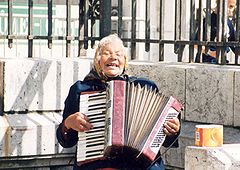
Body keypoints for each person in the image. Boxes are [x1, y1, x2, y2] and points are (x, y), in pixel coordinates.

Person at [56, 34, 181, 170]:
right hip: (98, 164)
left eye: (118, 54)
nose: (113, 57)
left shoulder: (145, 87)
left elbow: (165, 139)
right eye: (107, 53)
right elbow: (66, 141)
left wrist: (173, 130)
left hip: (138, 164)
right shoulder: (80, 90)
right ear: (98, 61)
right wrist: (68, 124)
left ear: (125, 62)